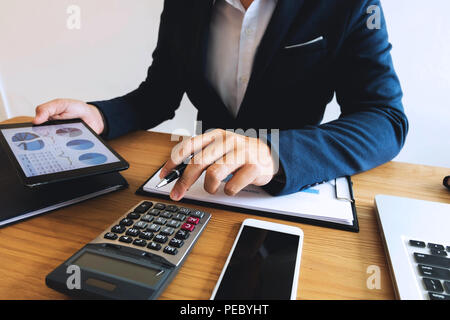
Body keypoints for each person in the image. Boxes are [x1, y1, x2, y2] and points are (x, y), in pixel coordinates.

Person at [33, 0, 408, 201]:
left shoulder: (350, 4)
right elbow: (157, 95)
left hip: (288, 192)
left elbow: (385, 119)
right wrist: (99, 115)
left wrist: (273, 152)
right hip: (197, 190)